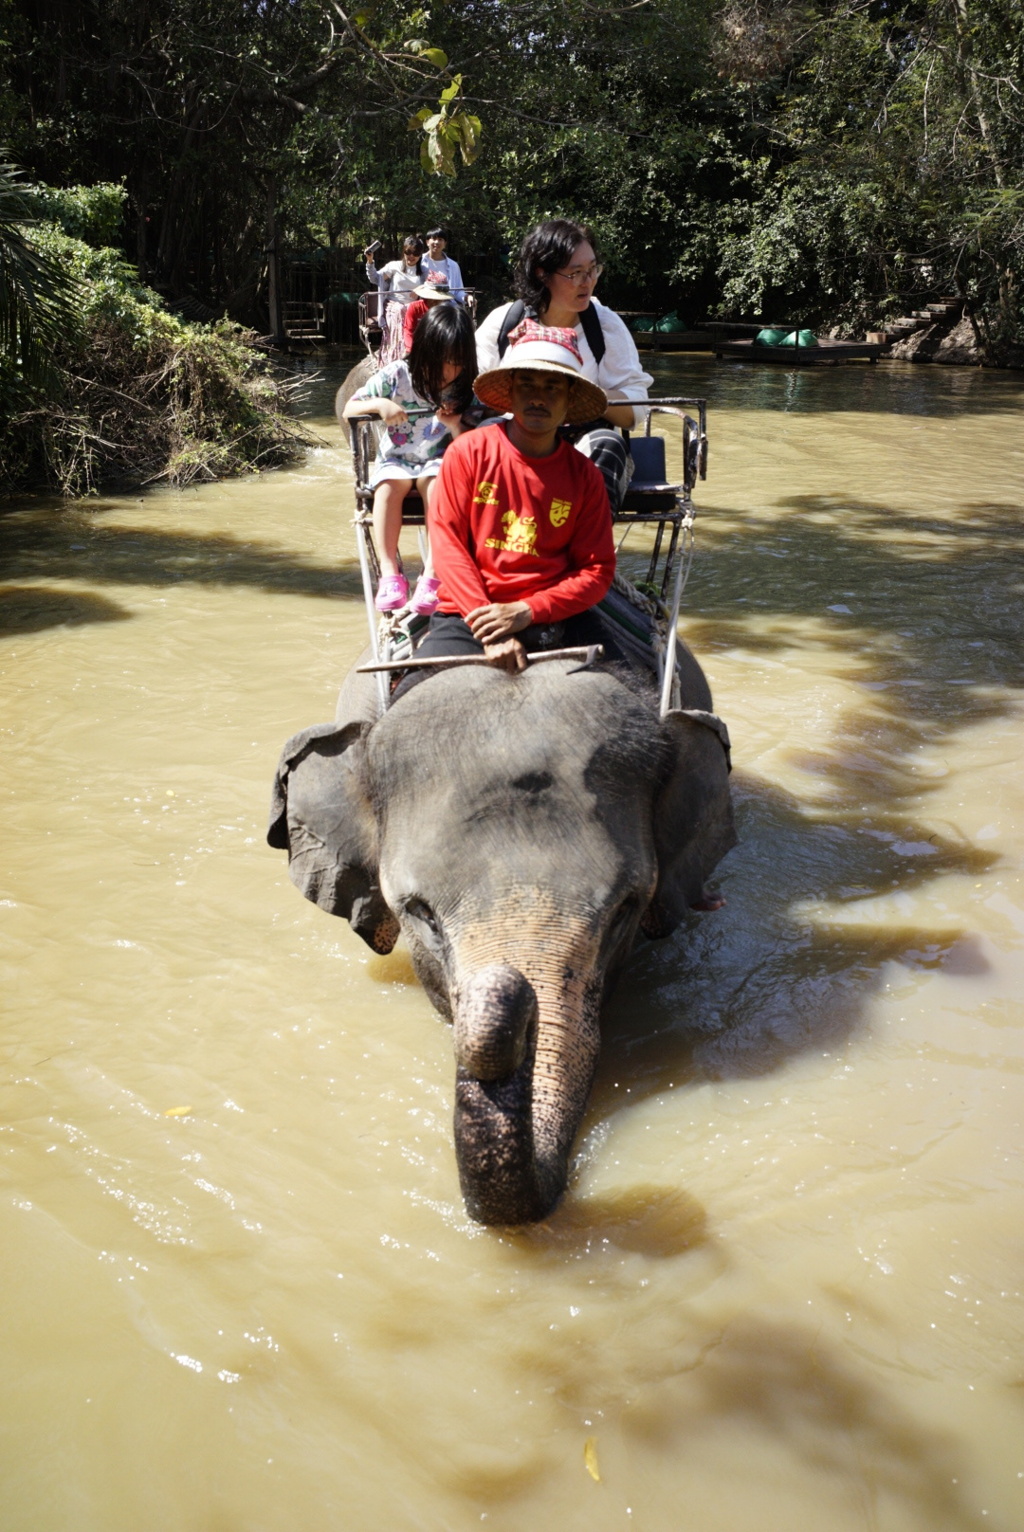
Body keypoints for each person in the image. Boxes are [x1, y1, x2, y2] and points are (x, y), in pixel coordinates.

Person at [411, 317, 618, 675]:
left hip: (555, 614)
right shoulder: (467, 453)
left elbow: (596, 570)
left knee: (629, 698)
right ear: (511, 393)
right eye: (527, 384)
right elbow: (447, 545)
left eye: (553, 386)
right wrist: (487, 625)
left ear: (569, 401)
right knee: (409, 701)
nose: (539, 397)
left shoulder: (585, 477)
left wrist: (529, 610)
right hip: (469, 614)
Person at [474, 219, 652, 513]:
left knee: (608, 444)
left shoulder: (605, 327)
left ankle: (589, 552)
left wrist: (582, 395)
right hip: (517, 437)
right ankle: (495, 547)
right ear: (542, 274)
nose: (588, 281)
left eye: (593, 269)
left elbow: (636, 410)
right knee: (485, 434)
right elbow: (474, 390)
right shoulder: (504, 322)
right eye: (575, 273)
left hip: (584, 439)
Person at [343, 303, 477, 615]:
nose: (449, 372)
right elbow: (351, 408)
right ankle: (391, 573)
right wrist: (380, 405)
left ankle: (432, 573)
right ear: (423, 353)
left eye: (457, 363)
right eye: (442, 362)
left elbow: (473, 445)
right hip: (397, 459)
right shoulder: (397, 375)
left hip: (441, 460)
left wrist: (455, 425)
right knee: (388, 486)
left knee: (437, 485)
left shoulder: (468, 388)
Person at [365, 235, 425, 365]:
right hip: (394, 305)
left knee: (411, 310)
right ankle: (398, 353)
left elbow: (433, 284)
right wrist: (370, 261)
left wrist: (421, 288)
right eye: (408, 252)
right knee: (401, 310)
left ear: (420, 255)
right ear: (403, 252)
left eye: (415, 253)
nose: (411, 256)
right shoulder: (394, 266)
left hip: (414, 307)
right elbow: (375, 278)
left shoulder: (424, 271)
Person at [402, 278, 456, 354]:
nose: (434, 301)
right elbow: (408, 330)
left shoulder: (448, 310)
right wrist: (411, 349)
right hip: (417, 346)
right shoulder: (414, 307)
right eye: (432, 298)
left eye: (438, 299)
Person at [423, 227, 466, 300]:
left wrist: (467, 297)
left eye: (440, 239)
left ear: (445, 244)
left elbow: (458, 291)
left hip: (447, 306)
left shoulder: (453, 265)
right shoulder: (420, 261)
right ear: (427, 242)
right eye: (434, 238)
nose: (437, 242)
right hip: (424, 306)